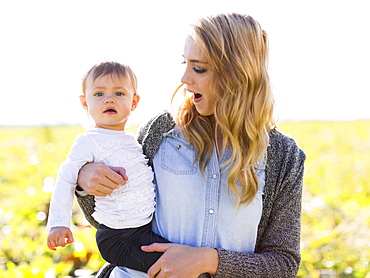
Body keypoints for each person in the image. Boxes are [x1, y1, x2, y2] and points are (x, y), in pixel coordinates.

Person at [76, 13, 306, 278]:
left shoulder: (284, 156)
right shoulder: (159, 132)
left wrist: (210, 261)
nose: (185, 78)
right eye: (185, 63)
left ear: (239, 74)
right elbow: (116, 225)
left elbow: (283, 263)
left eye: (199, 68)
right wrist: (85, 182)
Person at [46, 61, 170, 272]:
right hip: (118, 237)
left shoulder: (131, 141)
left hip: (143, 230)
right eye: (99, 94)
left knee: (180, 261)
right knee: (172, 268)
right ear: (85, 102)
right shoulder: (89, 141)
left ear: (134, 102)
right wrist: (58, 223)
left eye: (120, 93)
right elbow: (66, 178)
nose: (109, 99)